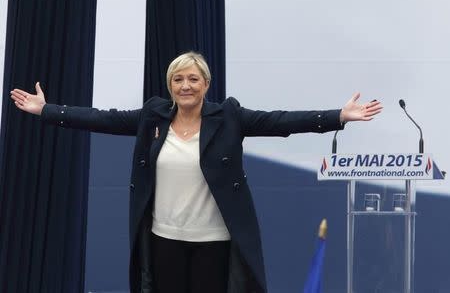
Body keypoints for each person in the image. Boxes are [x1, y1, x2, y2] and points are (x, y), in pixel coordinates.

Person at [10, 51, 382, 293]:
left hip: (213, 242)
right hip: (163, 239)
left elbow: (280, 121)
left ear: (206, 84)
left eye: (193, 79)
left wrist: (337, 116)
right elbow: (103, 119)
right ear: (170, 85)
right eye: (178, 79)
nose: (185, 86)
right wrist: (47, 110)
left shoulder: (229, 117)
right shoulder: (154, 115)